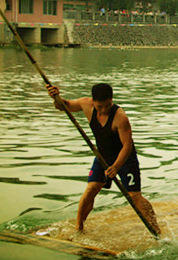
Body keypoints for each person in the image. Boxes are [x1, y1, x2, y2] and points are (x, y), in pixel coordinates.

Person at [46, 83, 158, 233]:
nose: (104, 110)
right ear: (93, 101)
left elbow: (127, 146)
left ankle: (156, 230)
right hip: (102, 156)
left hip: (124, 158)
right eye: (100, 107)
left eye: (108, 105)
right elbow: (63, 106)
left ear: (111, 100)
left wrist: (116, 166)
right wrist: (56, 97)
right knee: (91, 189)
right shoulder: (85, 105)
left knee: (134, 196)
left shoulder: (120, 117)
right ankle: (79, 227)